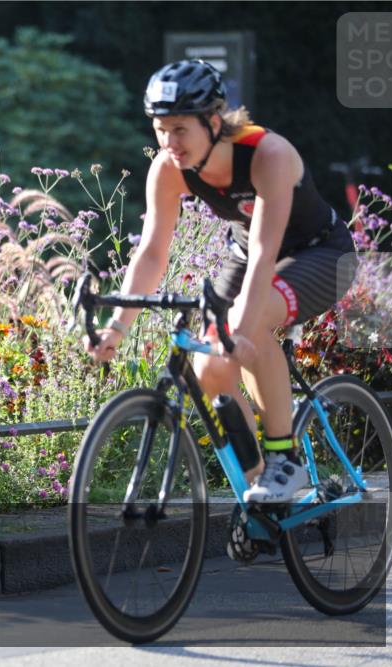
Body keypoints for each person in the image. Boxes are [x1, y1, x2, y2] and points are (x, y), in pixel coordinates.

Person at [84, 59, 357, 503]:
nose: (169, 143)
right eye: (160, 130)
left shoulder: (268, 154)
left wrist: (242, 331)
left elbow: (265, 255)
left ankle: (284, 459)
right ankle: (260, 488)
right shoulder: (169, 168)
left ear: (213, 122)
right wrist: (117, 327)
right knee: (209, 368)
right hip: (248, 257)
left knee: (248, 324)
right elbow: (152, 253)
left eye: (180, 129)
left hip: (320, 253)